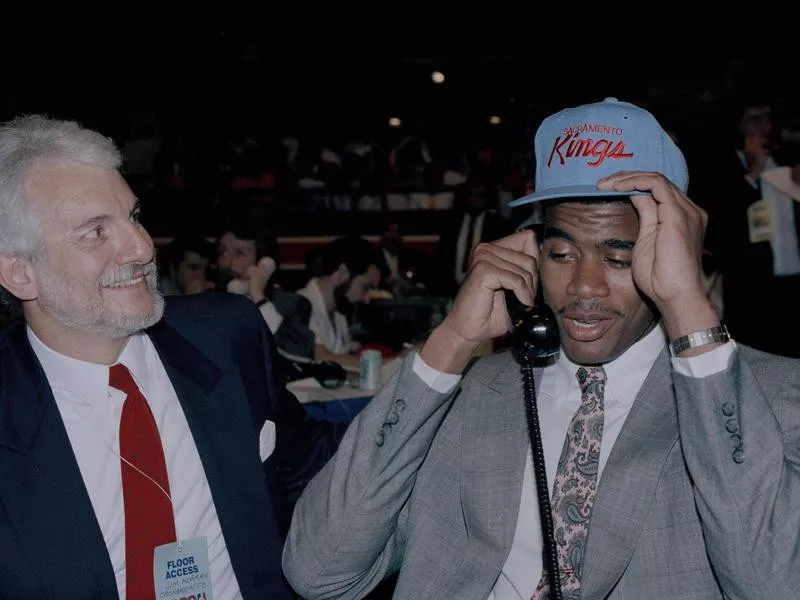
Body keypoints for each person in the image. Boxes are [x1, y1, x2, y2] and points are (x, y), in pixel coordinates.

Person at [282, 98, 800, 599]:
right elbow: (319, 571)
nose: (584, 287)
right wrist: (451, 343)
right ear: (531, 250)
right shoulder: (469, 392)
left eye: (620, 259)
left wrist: (689, 306)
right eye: (561, 252)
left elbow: (773, 583)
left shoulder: (771, 398)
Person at [0, 114, 341, 599]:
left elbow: (313, 462)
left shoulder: (226, 336)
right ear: (19, 274)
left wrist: (443, 369)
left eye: (133, 216)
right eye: (95, 232)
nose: (141, 247)